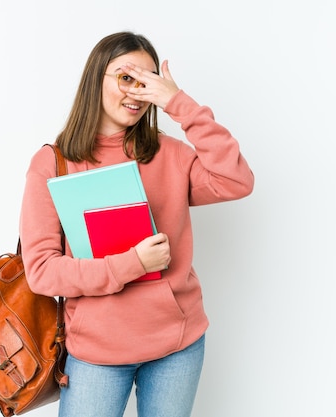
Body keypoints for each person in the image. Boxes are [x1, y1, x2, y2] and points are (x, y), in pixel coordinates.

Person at [19, 31, 254, 417]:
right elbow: (43, 272)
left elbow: (236, 180)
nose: (136, 91)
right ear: (96, 80)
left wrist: (179, 104)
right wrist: (133, 264)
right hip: (96, 353)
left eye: (147, 81)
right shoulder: (52, 164)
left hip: (177, 347)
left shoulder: (169, 154)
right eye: (126, 77)